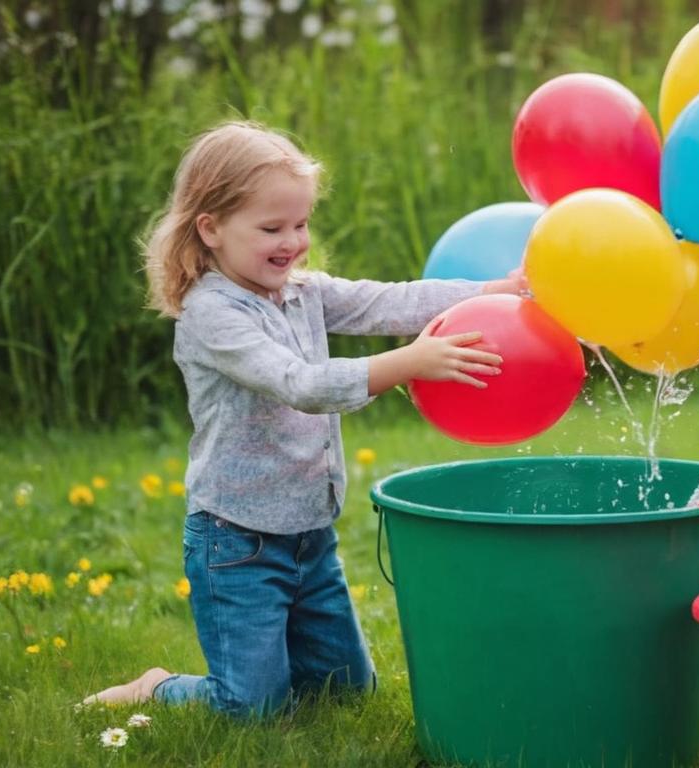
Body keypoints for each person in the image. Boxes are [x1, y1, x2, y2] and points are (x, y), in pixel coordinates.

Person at [82, 121, 525, 716]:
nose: (293, 241)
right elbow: (302, 384)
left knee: (346, 694)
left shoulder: (299, 291)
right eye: (272, 228)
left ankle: (278, 659)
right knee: (252, 709)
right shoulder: (211, 316)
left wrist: (497, 290)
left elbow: (386, 300)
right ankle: (158, 686)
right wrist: (410, 361)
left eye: (300, 224)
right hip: (236, 542)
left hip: (309, 538)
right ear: (210, 229)